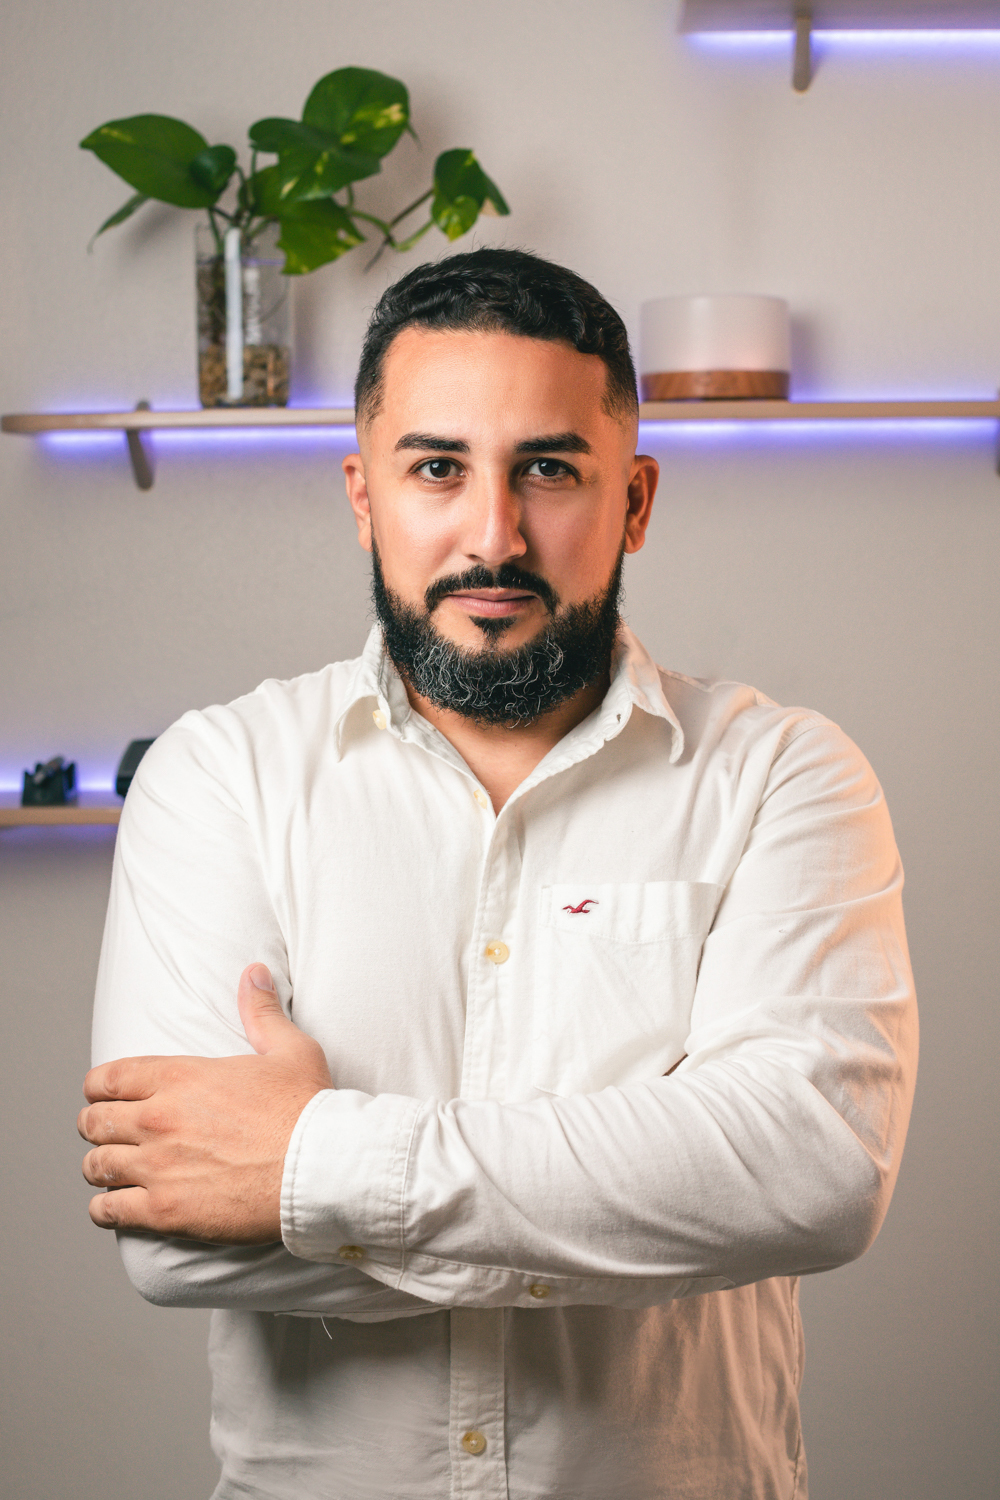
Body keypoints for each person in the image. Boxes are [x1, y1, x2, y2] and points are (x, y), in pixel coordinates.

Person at [80, 247, 918, 1500]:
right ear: (363, 495)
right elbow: (176, 1238)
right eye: (437, 468)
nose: (492, 535)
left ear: (634, 500)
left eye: (549, 470)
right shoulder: (220, 775)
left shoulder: (783, 775)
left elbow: (809, 1174)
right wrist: (645, 1205)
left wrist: (310, 1165)